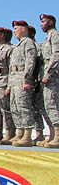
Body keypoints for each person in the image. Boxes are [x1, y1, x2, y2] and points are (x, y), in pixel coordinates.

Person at [5, 20, 37, 147]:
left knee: (24, 107)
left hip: (22, 80)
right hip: (14, 81)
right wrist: (9, 85)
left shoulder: (28, 43)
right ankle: (20, 132)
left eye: (16, 29)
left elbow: (30, 62)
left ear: (23, 29)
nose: (14, 31)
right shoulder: (18, 45)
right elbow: (12, 67)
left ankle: (28, 135)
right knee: (14, 108)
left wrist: (27, 79)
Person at [28, 26, 52, 145]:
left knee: (44, 108)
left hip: (40, 81)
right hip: (32, 82)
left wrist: (37, 81)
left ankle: (52, 132)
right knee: (33, 109)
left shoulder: (38, 47)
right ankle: (38, 133)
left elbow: (38, 65)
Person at [40, 14, 59, 148]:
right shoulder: (49, 37)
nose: (41, 24)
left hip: (53, 76)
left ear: (51, 22)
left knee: (52, 105)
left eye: (43, 22)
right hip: (47, 73)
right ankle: (52, 134)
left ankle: (57, 136)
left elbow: (56, 55)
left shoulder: (55, 36)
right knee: (47, 105)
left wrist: (48, 73)